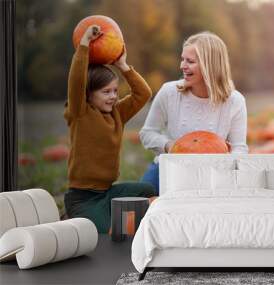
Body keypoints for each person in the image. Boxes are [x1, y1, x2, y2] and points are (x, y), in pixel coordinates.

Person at [63, 25, 155, 233]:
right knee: (104, 235)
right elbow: (76, 81)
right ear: (88, 94)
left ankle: (120, 222)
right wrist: (85, 43)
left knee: (147, 190)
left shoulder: (117, 114)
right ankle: (72, 217)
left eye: (115, 90)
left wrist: (123, 65)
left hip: (108, 192)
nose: (113, 96)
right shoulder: (80, 112)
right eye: (106, 92)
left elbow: (143, 93)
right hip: (82, 198)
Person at [139, 31, 248, 195]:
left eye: (190, 61)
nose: (182, 66)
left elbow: (240, 149)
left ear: (209, 65)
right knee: (139, 199)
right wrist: (170, 146)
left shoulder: (235, 101)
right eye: (182, 59)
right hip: (171, 168)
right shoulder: (169, 92)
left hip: (213, 174)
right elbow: (147, 133)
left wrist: (226, 159)